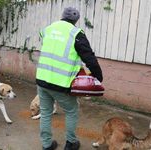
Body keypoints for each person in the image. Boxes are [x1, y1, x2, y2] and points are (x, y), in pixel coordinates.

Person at [36, 7, 103, 150]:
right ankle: (71, 143)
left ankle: (47, 145)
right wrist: (98, 77)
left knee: (46, 112)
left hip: (42, 79)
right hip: (61, 83)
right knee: (71, 111)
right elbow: (89, 58)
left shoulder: (48, 29)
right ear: (76, 20)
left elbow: (43, 40)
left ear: (62, 16)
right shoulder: (76, 34)